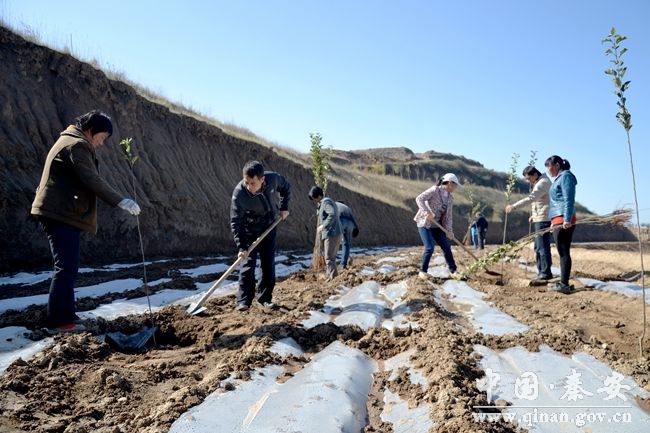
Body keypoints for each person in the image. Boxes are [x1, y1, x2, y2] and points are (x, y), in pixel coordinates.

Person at [30, 110, 141, 333]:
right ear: (91, 131)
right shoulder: (77, 145)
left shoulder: (71, 140)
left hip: (60, 211)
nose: (101, 143)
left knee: (68, 266)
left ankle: (67, 314)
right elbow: (91, 179)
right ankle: (58, 321)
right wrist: (120, 200)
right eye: (102, 137)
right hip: (58, 212)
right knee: (65, 267)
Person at [230, 161, 291, 310]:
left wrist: (284, 207)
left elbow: (286, 188)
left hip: (269, 227)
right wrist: (242, 246)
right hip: (249, 230)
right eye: (246, 182)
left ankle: (265, 298)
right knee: (247, 265)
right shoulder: (239, 194)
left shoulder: (273, 179)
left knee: (268, 263)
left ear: (262, 179)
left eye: (252, 183)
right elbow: (236, 221)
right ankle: (244, 301)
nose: (249, 187)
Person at [505, 165, 553, 282]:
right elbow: (540, 202)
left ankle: (545, 273)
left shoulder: (543, 183)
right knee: (538, 247)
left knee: (542, 247)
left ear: (535, 175)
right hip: (539, 217)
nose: (528, 181)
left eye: (528, 178)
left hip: (543, 219)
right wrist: (534, 215)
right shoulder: (540, 182)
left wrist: (514, 206)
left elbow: (531, 198)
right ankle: (542, 272)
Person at [414, 173, 460, 279]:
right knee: (430, 247)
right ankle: (422, 272)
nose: (456, 187)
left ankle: (453, 271)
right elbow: (419, 199)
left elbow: (448, 217)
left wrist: (449, 231)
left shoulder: (450, 198)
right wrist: (427, 212)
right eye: (455, 185)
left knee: (446, 246)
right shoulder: (435, 190)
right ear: (450, 183)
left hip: (437, 225)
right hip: (425, 223)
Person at [545, 155, 577, 294]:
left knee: (564, 253)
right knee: (562, 252)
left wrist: (567, 219)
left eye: (549, 167)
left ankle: (564, 284)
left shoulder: (566, 176)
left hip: (563, 219)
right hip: (558, 219)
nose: (548, 170)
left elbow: (568, 199)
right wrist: (553, 221)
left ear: (557, 165)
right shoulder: (560, 178)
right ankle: (563, 282)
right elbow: (556, 202)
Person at [308, 186, 343, 280]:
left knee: (329, 258)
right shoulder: (325, 202)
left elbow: (332, 214)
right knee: (331, 257)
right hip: (334, 232)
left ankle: (333, 279)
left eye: (314, 198)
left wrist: (324, 225)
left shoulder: (326, 202)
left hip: (332, 233)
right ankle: (330, 276)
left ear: (319, 196)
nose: (314, 201)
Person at [336, 201, 359, 269]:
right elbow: (353, 219)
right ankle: (343, 265)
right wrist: (356, 228)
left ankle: (332, 263)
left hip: (341, 220)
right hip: (350, 224)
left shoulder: (335, 204)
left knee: (333, 242)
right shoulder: (347, 208)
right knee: (346, 244)